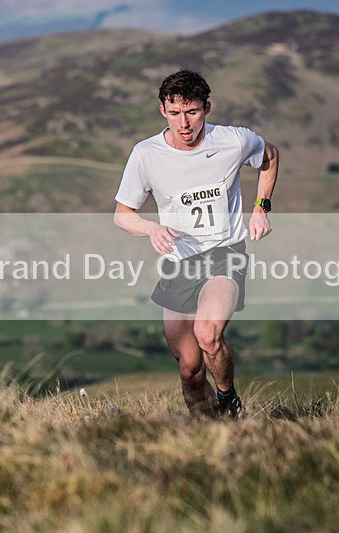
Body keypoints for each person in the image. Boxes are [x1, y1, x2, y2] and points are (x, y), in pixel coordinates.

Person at [113, 69, 279, 419]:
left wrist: (261, 207)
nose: (184, 123)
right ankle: (208, 433)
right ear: (163, 111)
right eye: (175, 113)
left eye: (192, 112)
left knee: (208, 334)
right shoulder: (146, 154)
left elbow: (270, 156)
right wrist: (150, 229)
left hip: (225, 254)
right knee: (189, 369)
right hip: (178, 263)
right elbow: (122, 214)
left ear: (206, 107)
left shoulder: (233, 141)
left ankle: (228, 399)